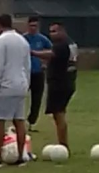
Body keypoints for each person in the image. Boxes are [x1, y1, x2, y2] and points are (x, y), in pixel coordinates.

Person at [0, 14, 31, 168]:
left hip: (5, 86)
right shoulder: (22, 40)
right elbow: (27, 65)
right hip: (21, 84)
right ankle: (20, 156)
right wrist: (26, 83)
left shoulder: (1, 41)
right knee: (19, 121)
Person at [32, 22, 78, 150]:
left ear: (63, 31)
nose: (52, 34)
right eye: (51, 31)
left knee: (59, 114)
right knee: (59, 112)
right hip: (68, 81)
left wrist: (33, 53)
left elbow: (51, 54)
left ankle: (63, 145)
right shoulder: (70, 43)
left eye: (54, 31)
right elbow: (59, 59)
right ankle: (63, 143)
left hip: (59, 83)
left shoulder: (61, 44)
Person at [24, 16, 53, 132]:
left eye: (35, 26)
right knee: (20, 97)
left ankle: (32, 122)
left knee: (37, 99)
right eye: (31, 26)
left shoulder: (42, 39)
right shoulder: (23, 39)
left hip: (38, 73)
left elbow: (52, 51)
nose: (33, 28)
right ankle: (19, 121)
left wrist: (45, 62)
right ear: (28, 26)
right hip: (25, 73)